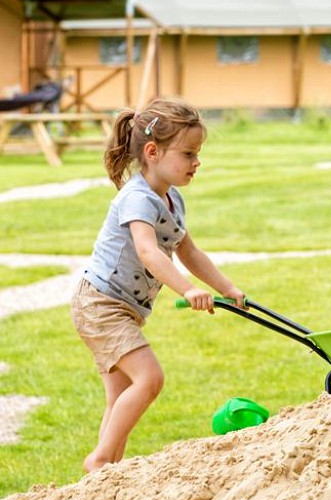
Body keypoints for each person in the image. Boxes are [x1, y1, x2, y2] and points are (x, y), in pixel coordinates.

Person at [71, 97, 245, 472]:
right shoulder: (136, 198)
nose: (196, 162)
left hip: (121, 310)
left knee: (120, 399)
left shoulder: (172, 199)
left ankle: (104, 476)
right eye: (188, 154)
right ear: (152, 151)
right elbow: (149, 252)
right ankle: (100, 461)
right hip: (101, 306)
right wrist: (188, 290)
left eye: (197, 154)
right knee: (149, 379)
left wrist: (227, 287)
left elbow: (190, 252)